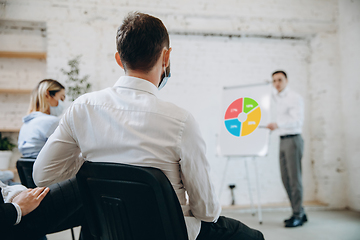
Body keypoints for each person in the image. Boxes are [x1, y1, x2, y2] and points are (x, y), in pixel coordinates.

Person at [33, 12, 264, 240]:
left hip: (106, 230)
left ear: (118, 59)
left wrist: (86, 162)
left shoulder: (83, 108)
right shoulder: (180, 121)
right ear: (166, 58)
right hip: (168, 232)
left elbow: (43, 174)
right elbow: (208, 211)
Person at [266, 70, 307, 228]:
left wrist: (278, 125)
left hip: (293, 140)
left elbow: (298, 120)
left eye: (280, 80)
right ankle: (300, 211)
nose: (277, 83)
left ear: (287, 80)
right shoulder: (278, 97)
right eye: (274, 81)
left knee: (294, 179)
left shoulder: (294, 97)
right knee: (285, 178)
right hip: (282, 140)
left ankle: (297, 215)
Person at [0, 178, 92, 240]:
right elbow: (40, 174)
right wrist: (16, 208)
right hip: (9, 220)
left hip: (9, 207)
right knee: (88, 180)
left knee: (91, 209)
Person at [18, 79, 66, 158]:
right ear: (47, 95)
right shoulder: (53, 122)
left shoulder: (26, 124)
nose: (62, 103)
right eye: (61, 98)